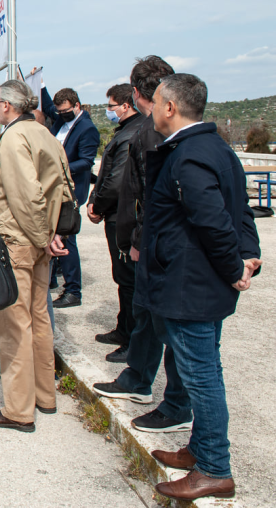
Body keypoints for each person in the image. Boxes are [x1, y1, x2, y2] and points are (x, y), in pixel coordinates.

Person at [141, 75, 261, 502]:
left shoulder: (188, 156)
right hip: (203, 284)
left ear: (170, 107)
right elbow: (240, 209)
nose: (151, 109)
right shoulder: (215, 147)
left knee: (201, 376)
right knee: (206, 371)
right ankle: (201, 449)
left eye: (154, 102)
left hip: (191, 285)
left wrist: (235, 267)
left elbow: (212, 219)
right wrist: (250, 255)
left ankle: (214, 468)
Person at [94, 56, 196, 434]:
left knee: (174, 331)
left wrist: (136, 240)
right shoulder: (151, 131)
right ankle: (137, 379)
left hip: (156, 246)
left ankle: (176, 403)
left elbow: (150, 198)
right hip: (148, 241)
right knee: (148, 317)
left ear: (137, 93)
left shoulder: (156, 134)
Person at [0, 80, 72, 432]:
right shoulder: (44, 133)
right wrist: (53, 234)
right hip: (40, 241)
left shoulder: (14, 138)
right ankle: (44, 395)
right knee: (39, 319)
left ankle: (18, 410)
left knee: (14, 326)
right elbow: (64, 188)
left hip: (20, 240)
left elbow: (24, 195)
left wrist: (41, 236)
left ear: (6, 105)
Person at [85, 84, 142, 362]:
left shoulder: (132, 133)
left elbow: (117, 180)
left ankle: (132, 339)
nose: (108, 111)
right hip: (116, 213)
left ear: (126, 105)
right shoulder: (126, 131)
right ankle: (123, 328)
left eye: (110, 106)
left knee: (129, 279)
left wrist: (99, 205)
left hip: (123, 215)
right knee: (122, 278)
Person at [45, 87, 100, 309]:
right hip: (55, 189)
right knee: (53, 235)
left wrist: (59, 167)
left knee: (67, 238)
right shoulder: (61, 121)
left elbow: (87, 161)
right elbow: (49, 107)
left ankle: (73, 290)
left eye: (66, 111)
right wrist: (41, 85)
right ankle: (52, 279)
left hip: (71, 190)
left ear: (77, 105)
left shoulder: (87, 129)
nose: (62, 114)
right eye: (59, 111)